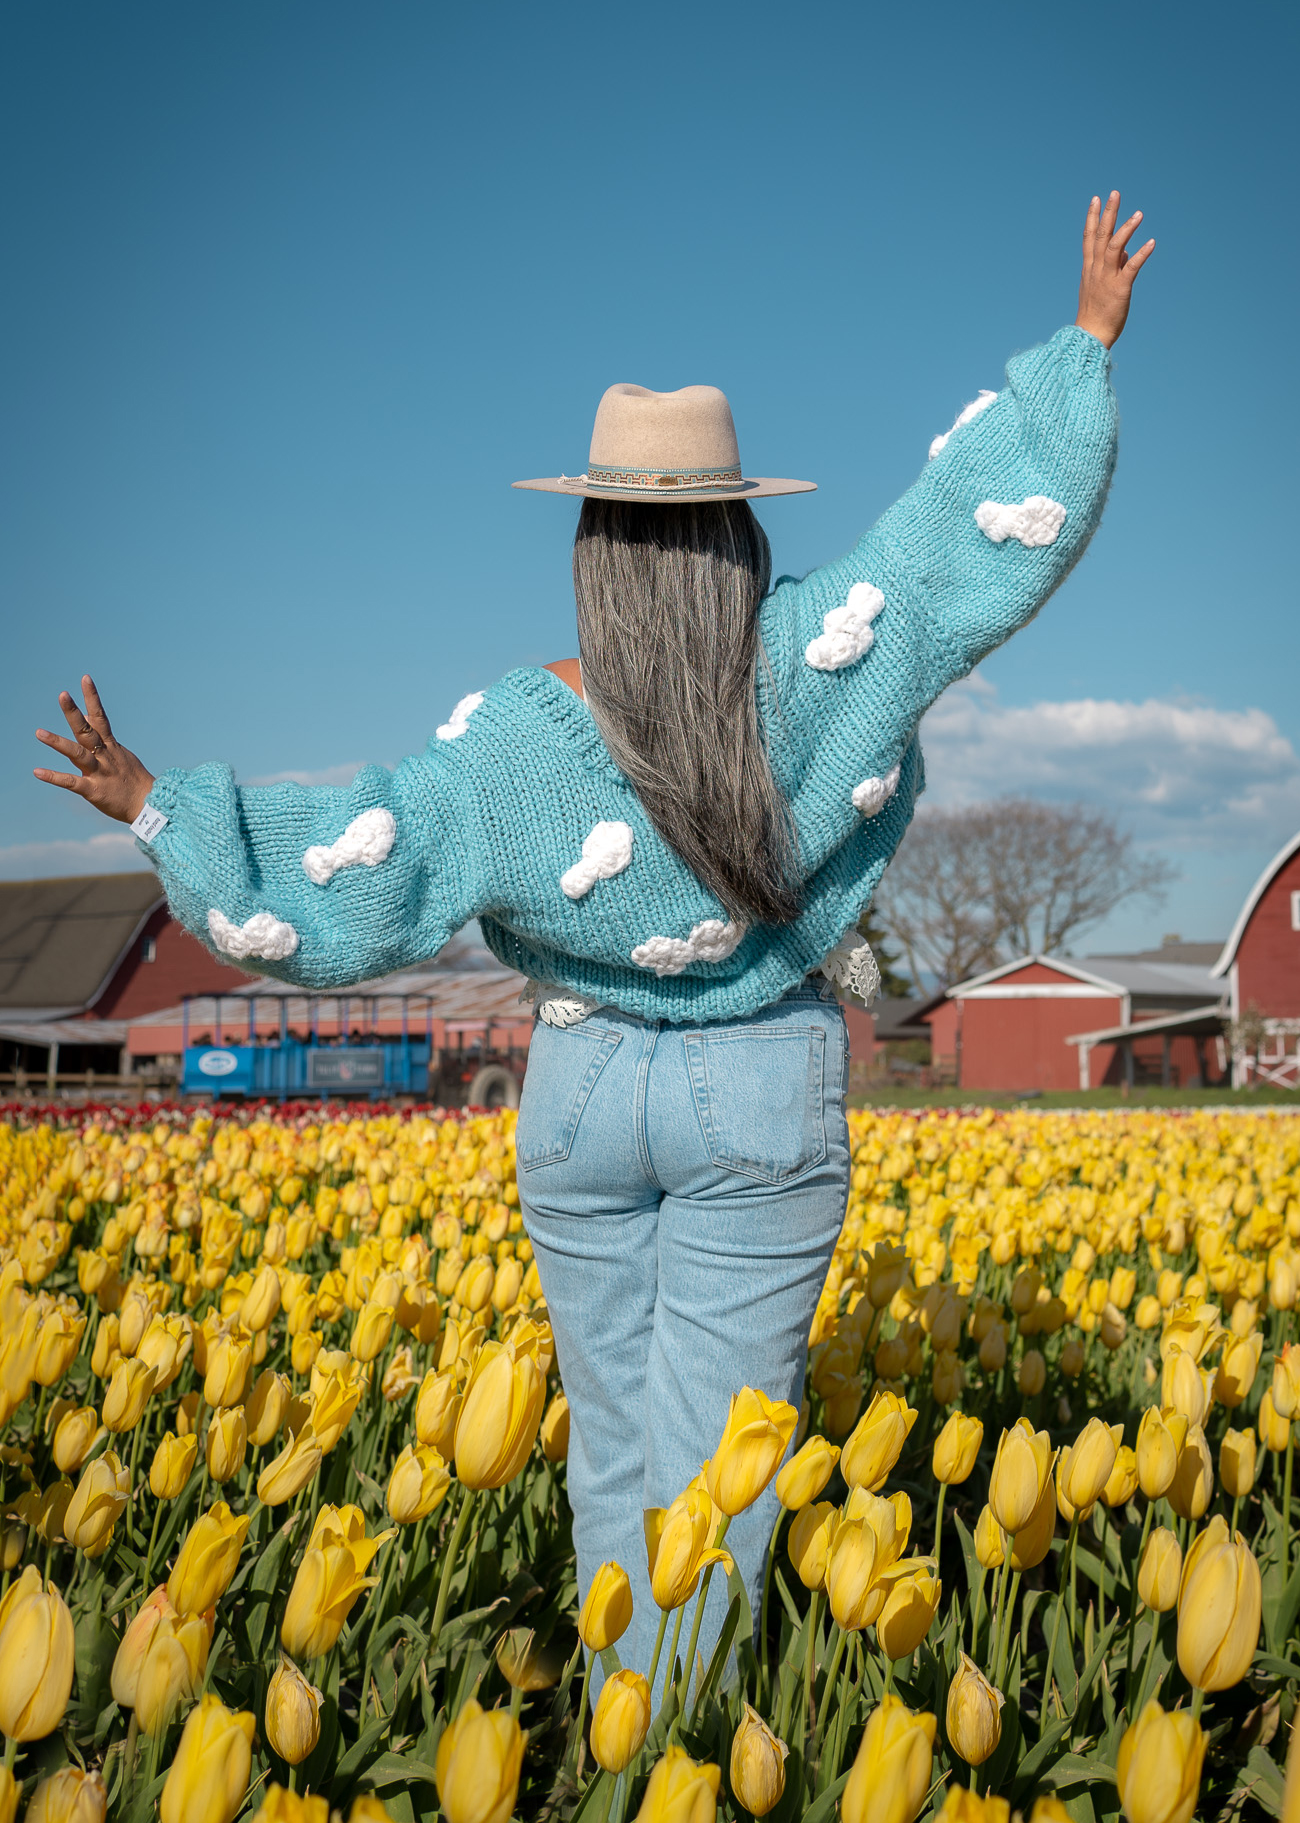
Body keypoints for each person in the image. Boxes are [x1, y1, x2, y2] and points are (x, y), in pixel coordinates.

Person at [33, 192, 1152, 1681]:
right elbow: (961, 546)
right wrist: (1079, 349)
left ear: (589, 545)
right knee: (720, 1467)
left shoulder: (514, 733)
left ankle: (621, 1751)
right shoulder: (824, 660)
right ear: (740, 529)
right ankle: (676, 1750)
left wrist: (160, 809)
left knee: (613, 1440)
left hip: (574, 1096)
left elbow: (366, 863)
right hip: (759, 1081)